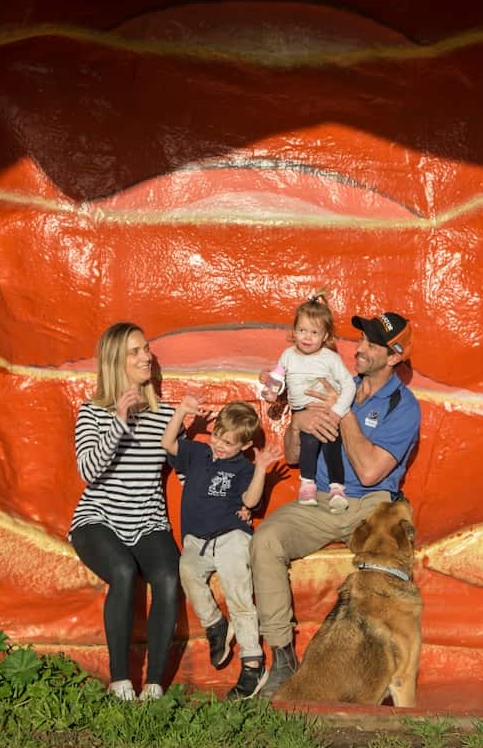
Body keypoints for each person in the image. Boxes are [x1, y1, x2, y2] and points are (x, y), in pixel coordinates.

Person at [250, 310, 421, 698]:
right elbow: (294, 457)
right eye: (359, 340)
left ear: (393, 356)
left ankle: (382, 673)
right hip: (322, 498)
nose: (359, 349)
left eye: (371, 345)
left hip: (370, 506)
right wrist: (299, 422)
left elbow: (370, 473)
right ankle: (282, 658)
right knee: (266, 540)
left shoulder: (404, 406)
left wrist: (341, 413)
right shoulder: (335, 381)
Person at [69, 322, 180, 702]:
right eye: (135, 351)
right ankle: (119, 680)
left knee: (168, 576)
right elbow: (88, 471)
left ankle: (154, 685)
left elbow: (186, 470)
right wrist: (118, 420)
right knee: (123, 570)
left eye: (146, 348)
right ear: (117, 360)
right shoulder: (92, 413)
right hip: (98, 518)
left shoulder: (164, 415)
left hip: (147, 517)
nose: (146, 356)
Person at [161, 397, 281, 700]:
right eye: (217, 436)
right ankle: (215, 624)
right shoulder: (199, 452)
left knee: (239, 595)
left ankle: (253, 664)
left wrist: (261, 469)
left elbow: (251, 502)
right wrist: (181, 413)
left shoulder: (243, 467)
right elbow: (168, 443)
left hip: (231, 536)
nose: (219, 445)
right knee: (186, 572)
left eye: (228, 443)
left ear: (243, 446)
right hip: (197, 541)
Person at [268, 294, 356, 511]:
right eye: (302, 330)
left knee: (331, 444)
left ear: (325, 336)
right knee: (307, 443)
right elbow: (277, 375)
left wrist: (336, 412)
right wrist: (270, 391)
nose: (307, 337)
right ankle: (307, 484)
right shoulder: (288, 355)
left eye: (314, 332)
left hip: (327, 411)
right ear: (294, 330)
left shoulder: (330, 358)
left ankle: (337, 487)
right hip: (302, 411)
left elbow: (349, 385)